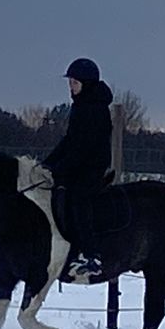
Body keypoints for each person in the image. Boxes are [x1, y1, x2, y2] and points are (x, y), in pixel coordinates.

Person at [43, 57, 113, 274]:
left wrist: (61, 168)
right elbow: (69, 141)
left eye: (74, 83)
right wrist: (47, 164)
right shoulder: (81, 106)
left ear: (87, 83)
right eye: (70, 83)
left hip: (91, 168)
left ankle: (92, 255)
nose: (70, 87)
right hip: (79, 165)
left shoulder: (94, 109)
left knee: (78, 200)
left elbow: (83, 147)